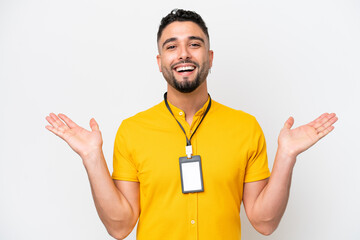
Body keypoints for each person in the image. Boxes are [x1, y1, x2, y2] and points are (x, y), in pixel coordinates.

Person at [45, 9, 338, 240]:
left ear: (209, 58)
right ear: (160, 62)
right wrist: (92, 158)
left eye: (194, 44)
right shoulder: (132, 131)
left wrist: (286, 156)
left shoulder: (246, 127)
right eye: (171, 47)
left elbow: (264, 223)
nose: (183, 53)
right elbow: (119, 227)